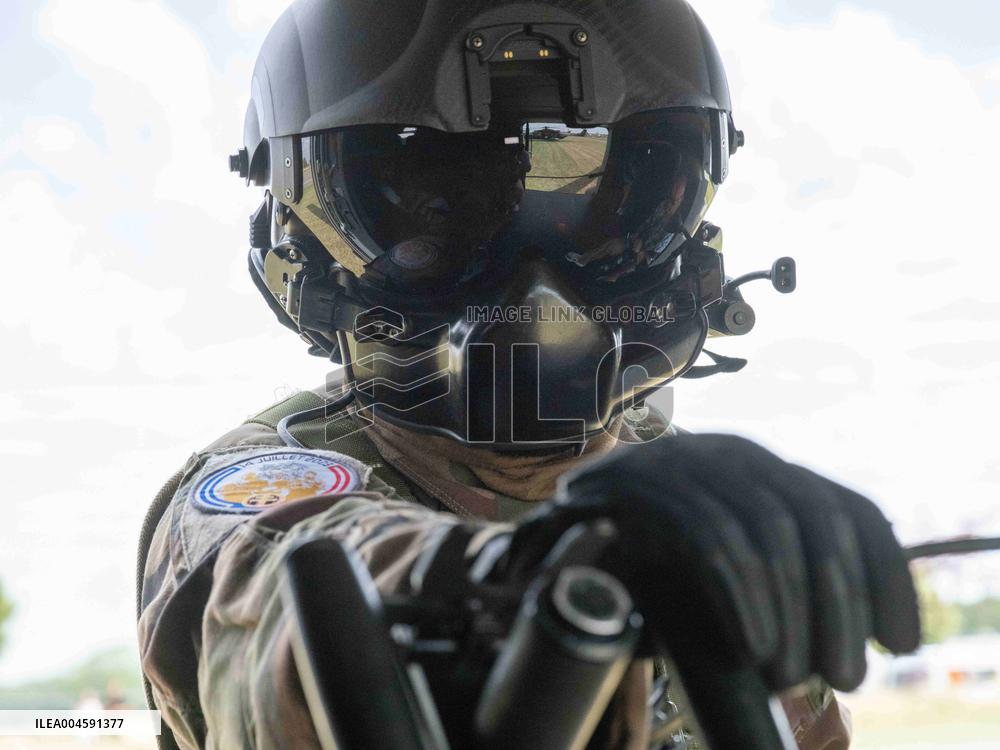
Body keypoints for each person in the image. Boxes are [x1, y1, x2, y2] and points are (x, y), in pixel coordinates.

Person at [136, 2, 920, 748]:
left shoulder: (695, 514)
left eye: (610, 209)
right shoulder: (262, 480)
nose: (535, 282)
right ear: (300, 245)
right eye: (437, 216)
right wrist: (492, 597)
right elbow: (266, 589)